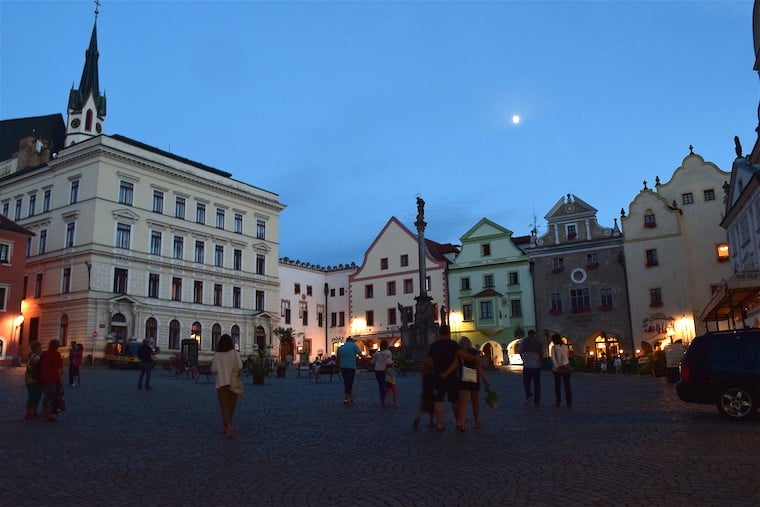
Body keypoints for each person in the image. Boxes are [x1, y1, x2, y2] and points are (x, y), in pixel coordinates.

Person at [211, 333, 244, 438]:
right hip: (233, 382)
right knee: (232, 406)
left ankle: (227, 426)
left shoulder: (217, 354)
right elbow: (240, 366)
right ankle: (228, 425)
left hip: (221, 383)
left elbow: (214, 369)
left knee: (224, 405)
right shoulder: (234, 353)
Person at [457, 336, 490, 431]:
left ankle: (462, 424)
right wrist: (484, 379)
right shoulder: (475, 352)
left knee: (463, 403)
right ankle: (476, 421)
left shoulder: (459, 353)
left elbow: (456, 365)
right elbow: (479, 366)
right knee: (475, 402)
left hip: (463, 379)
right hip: (474, 379)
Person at [518, 330, 544, 407]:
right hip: (537, 366)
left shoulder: (524, 341)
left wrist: (523, 357)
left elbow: (519, 351)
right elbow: (542, 353)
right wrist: (540, 361)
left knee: (527, 383)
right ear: (534, 335)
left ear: (528, 334)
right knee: (537, 384)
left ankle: (529, 395)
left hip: (527, 366)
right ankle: (537, 401)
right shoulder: (539, 342)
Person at [39, 339, 63, 423]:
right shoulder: (56, 354)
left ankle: (43, 413)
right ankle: (47, 416)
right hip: (53, 379)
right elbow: (59, 368)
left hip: (44, 378)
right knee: (51, 397)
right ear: (56, 346)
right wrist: (61, 378)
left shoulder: (43, 354)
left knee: (45, 396)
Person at [412, 357, 435, 430]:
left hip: (425, 392)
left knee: (423, 407)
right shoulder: (432, 375)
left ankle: (418, 418)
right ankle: (431, 421)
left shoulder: (424, 374)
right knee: (432, 407)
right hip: (431, 392)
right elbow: (433, 384)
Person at [337, 336, 361, 405]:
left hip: (343, 367)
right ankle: (347, 397)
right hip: (351, 366)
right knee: (350, 382)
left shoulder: (341, 347)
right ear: (351, 341)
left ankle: (347, 396)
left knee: (346, 381)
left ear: (346, 341)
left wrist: (338, 366)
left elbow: (338, 358)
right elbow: (359, 353)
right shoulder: (353, 345)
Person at [550, 333, 572, 408]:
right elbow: (567, 357)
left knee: (557, 386)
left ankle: (558, 401)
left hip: (557, 369)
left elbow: (553, 358)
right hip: (566, 367)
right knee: (567, 386)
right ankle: (569, 402)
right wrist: (565, 364)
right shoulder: (565, 346)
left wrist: (557, 366)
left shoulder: (554, 347)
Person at [371, 340, 392, 407]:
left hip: (377, 370)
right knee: (386, 385)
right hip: (385, 370)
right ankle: (383, 399)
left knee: (380, 385)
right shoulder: (388, 352)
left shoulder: (377, 353)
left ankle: (382, 399)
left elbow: (373, 362)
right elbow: (389, 362)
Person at [25, 340, 43, 419]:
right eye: (40, 346)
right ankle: (30, 412)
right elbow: (37, 367)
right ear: (37, 348)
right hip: (36, 378)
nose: (41, 348)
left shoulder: (30, 355)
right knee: (36, 395)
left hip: (28, 378)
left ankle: (32, 411)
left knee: (32, 395)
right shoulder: (37, 357)